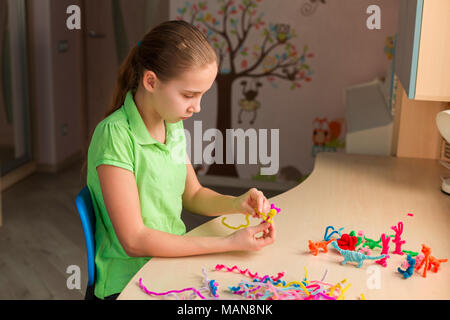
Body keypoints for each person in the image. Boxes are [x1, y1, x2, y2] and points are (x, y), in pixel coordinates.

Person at [85, 20, 276, 300]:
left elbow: (194, 194)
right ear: (150, 81)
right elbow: (134, 241)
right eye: (189, 95)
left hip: (168, 264)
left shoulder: (171, 126)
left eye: (202, 95)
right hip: (127, 283)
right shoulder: (115, 135)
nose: (197, 108)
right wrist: (227, 243)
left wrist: (237, 204)